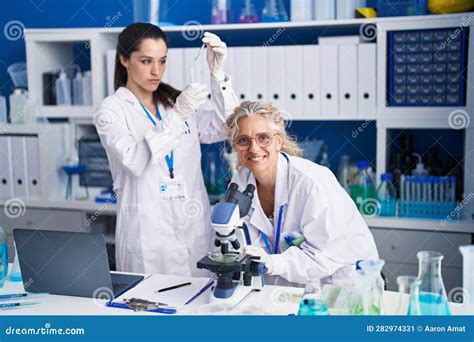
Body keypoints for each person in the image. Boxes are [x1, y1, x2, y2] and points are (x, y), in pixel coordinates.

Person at [93, 23, 238, 276]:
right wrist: (178, 116)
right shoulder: (111, 110)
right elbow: (135, 161)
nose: (156, 71)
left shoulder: (172, 103)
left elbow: (226, 127)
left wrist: (217, 76)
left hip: (192, 229)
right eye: (146, 61)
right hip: (148, 238)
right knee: (149, 309)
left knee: (199, 307)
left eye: (162, 61)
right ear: (124, 59)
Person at [225, 101, 379, 287]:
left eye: (263, 137)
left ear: (278, 141)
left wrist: (273, 263)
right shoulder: (239, 183)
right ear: (235, 146)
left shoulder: (311, 183)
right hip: (285, 288)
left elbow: (324, 255)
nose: (253, 148)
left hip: (343, 285)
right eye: (243, 140)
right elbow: (242, 243)